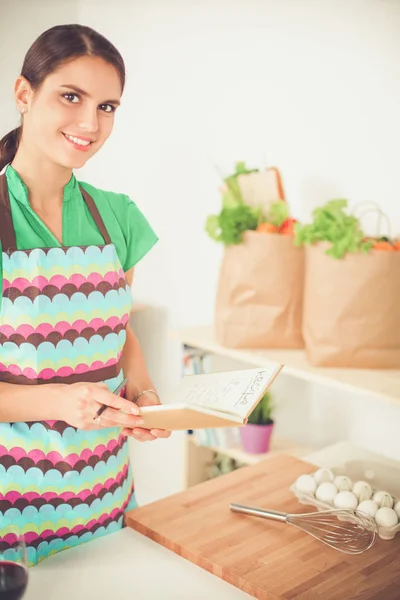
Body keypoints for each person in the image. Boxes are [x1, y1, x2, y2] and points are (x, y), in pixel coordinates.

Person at [0, 24, 170, 566]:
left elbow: (116, 332)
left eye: (108, 106)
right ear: (24, 94)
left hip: (104, 498)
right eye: (71, 97)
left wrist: (142, 393)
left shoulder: (118, 215)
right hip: (10, 512)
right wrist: (58, 401)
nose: (90, 123)